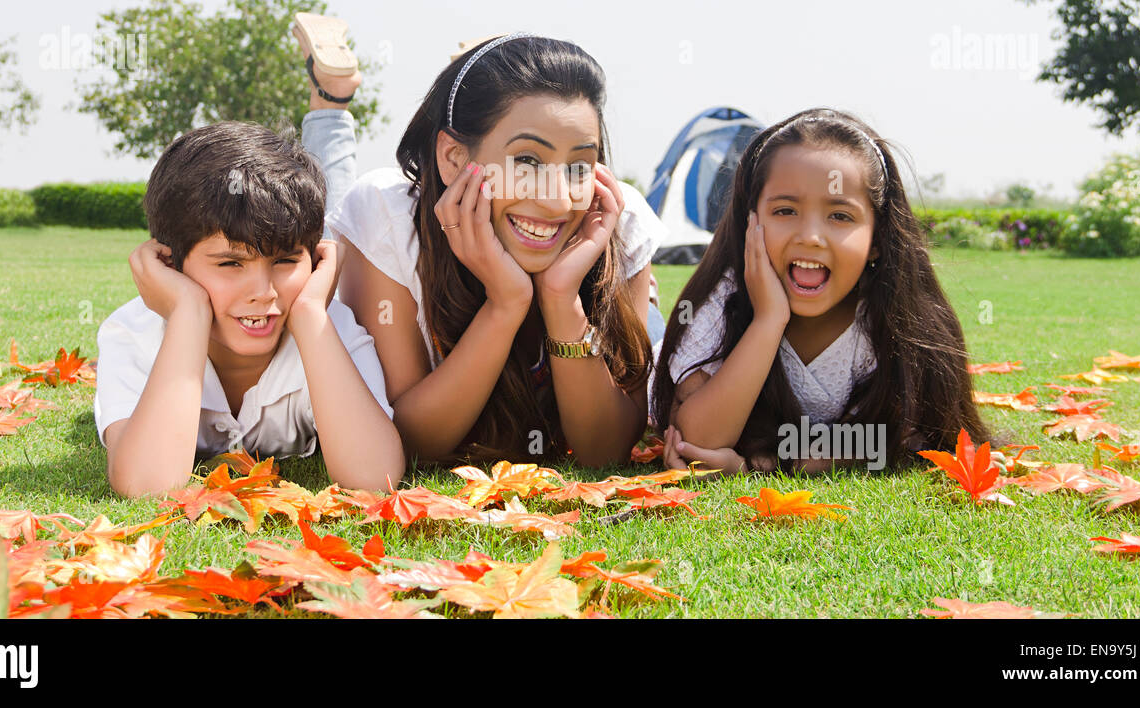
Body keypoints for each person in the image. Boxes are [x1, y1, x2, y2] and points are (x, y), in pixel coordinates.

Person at [303, 32, 667, 467]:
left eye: (578, 166)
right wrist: (506, 304)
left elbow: (603, 452)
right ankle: (331, 101)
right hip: (378, 222)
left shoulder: (614, 220)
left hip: (616, 300)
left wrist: (561, 297)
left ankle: (473, 72)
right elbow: (415, 441)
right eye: (528, 161)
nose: (557, 201)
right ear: (454, 158)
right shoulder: (387, 221)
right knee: (318, 217)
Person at [651, 108, 993, 475]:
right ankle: (646, 302)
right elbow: (696, 441)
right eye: (785, 210)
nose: (810, 237)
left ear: (877, 238)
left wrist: (762, 465)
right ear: (751, 221)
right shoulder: (725, 299)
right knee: (644, 335)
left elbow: (902, 439)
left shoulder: (898, 319)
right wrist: (768, 321)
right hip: (650, 364)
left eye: (840, 216)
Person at [94, 120, 404, 498]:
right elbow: (145, 486)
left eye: (286, 260)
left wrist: (309, 317)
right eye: (230, 264)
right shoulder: (133, 334)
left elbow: (375, 479)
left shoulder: (329, 329)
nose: (263, 292)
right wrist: (188, 313)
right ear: (170, 265)